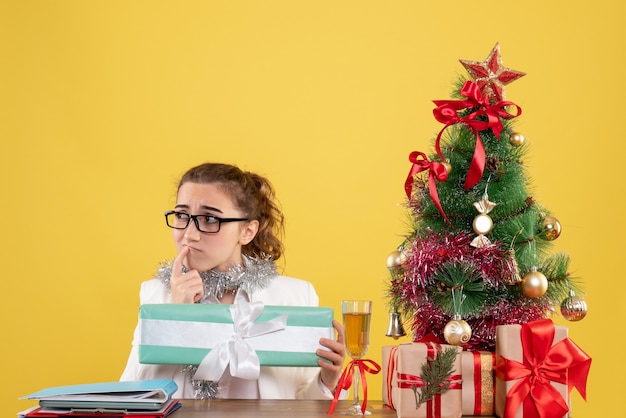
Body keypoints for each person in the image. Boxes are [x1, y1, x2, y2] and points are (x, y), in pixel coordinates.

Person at [120, 162, 346, 400]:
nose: (189, 233)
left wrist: (326, 382)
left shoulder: (296, 296)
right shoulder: (157, 295)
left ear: (247, 231)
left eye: (209, 218)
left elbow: (302, 405)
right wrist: (175, 317)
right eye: (181, 215)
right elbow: (132, 395)